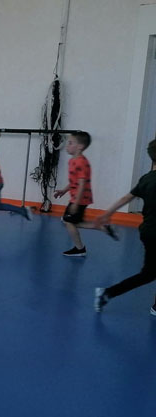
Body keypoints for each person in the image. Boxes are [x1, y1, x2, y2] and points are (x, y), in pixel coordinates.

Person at [94, 138, 156, 314]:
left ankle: (107, 293)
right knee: (149, 273)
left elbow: (126, 198)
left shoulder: (146, 179)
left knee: (149, 274)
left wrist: (106, 214)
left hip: (148, 232)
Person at [54, 131, 118, 256]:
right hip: (78, 198)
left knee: (68, 221)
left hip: (80, 198)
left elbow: (82, 184)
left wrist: (76, 203)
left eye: (70, 143)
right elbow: (74, 181)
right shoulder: (72, 161)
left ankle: (80, 249)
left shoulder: (81, 162)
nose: (67, 145)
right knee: (74, 222)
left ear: (80, 146)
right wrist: (64, 190)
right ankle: (103, 227)